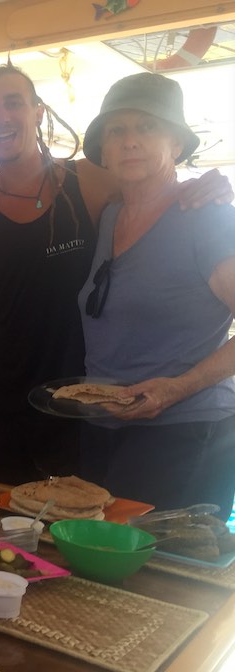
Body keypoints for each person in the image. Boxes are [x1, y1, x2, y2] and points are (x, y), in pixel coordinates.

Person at [0, 65, 234, 485]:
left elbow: (158, 184)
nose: (130, 141)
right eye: (117, 131)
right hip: (60, 412)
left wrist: (209, 188)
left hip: (149, 421)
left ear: (39, 111)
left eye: (14, 103)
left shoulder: (91, 182)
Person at [75, 72, 235, 517]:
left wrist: (176, 388)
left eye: (147, 127)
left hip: (183, 432)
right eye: (117, 131)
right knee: (104, 570)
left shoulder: (208, 218)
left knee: (165, 578)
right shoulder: (110, 216)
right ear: (103, 152)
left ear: (177, 145)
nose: (130, 142)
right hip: (106, 427)